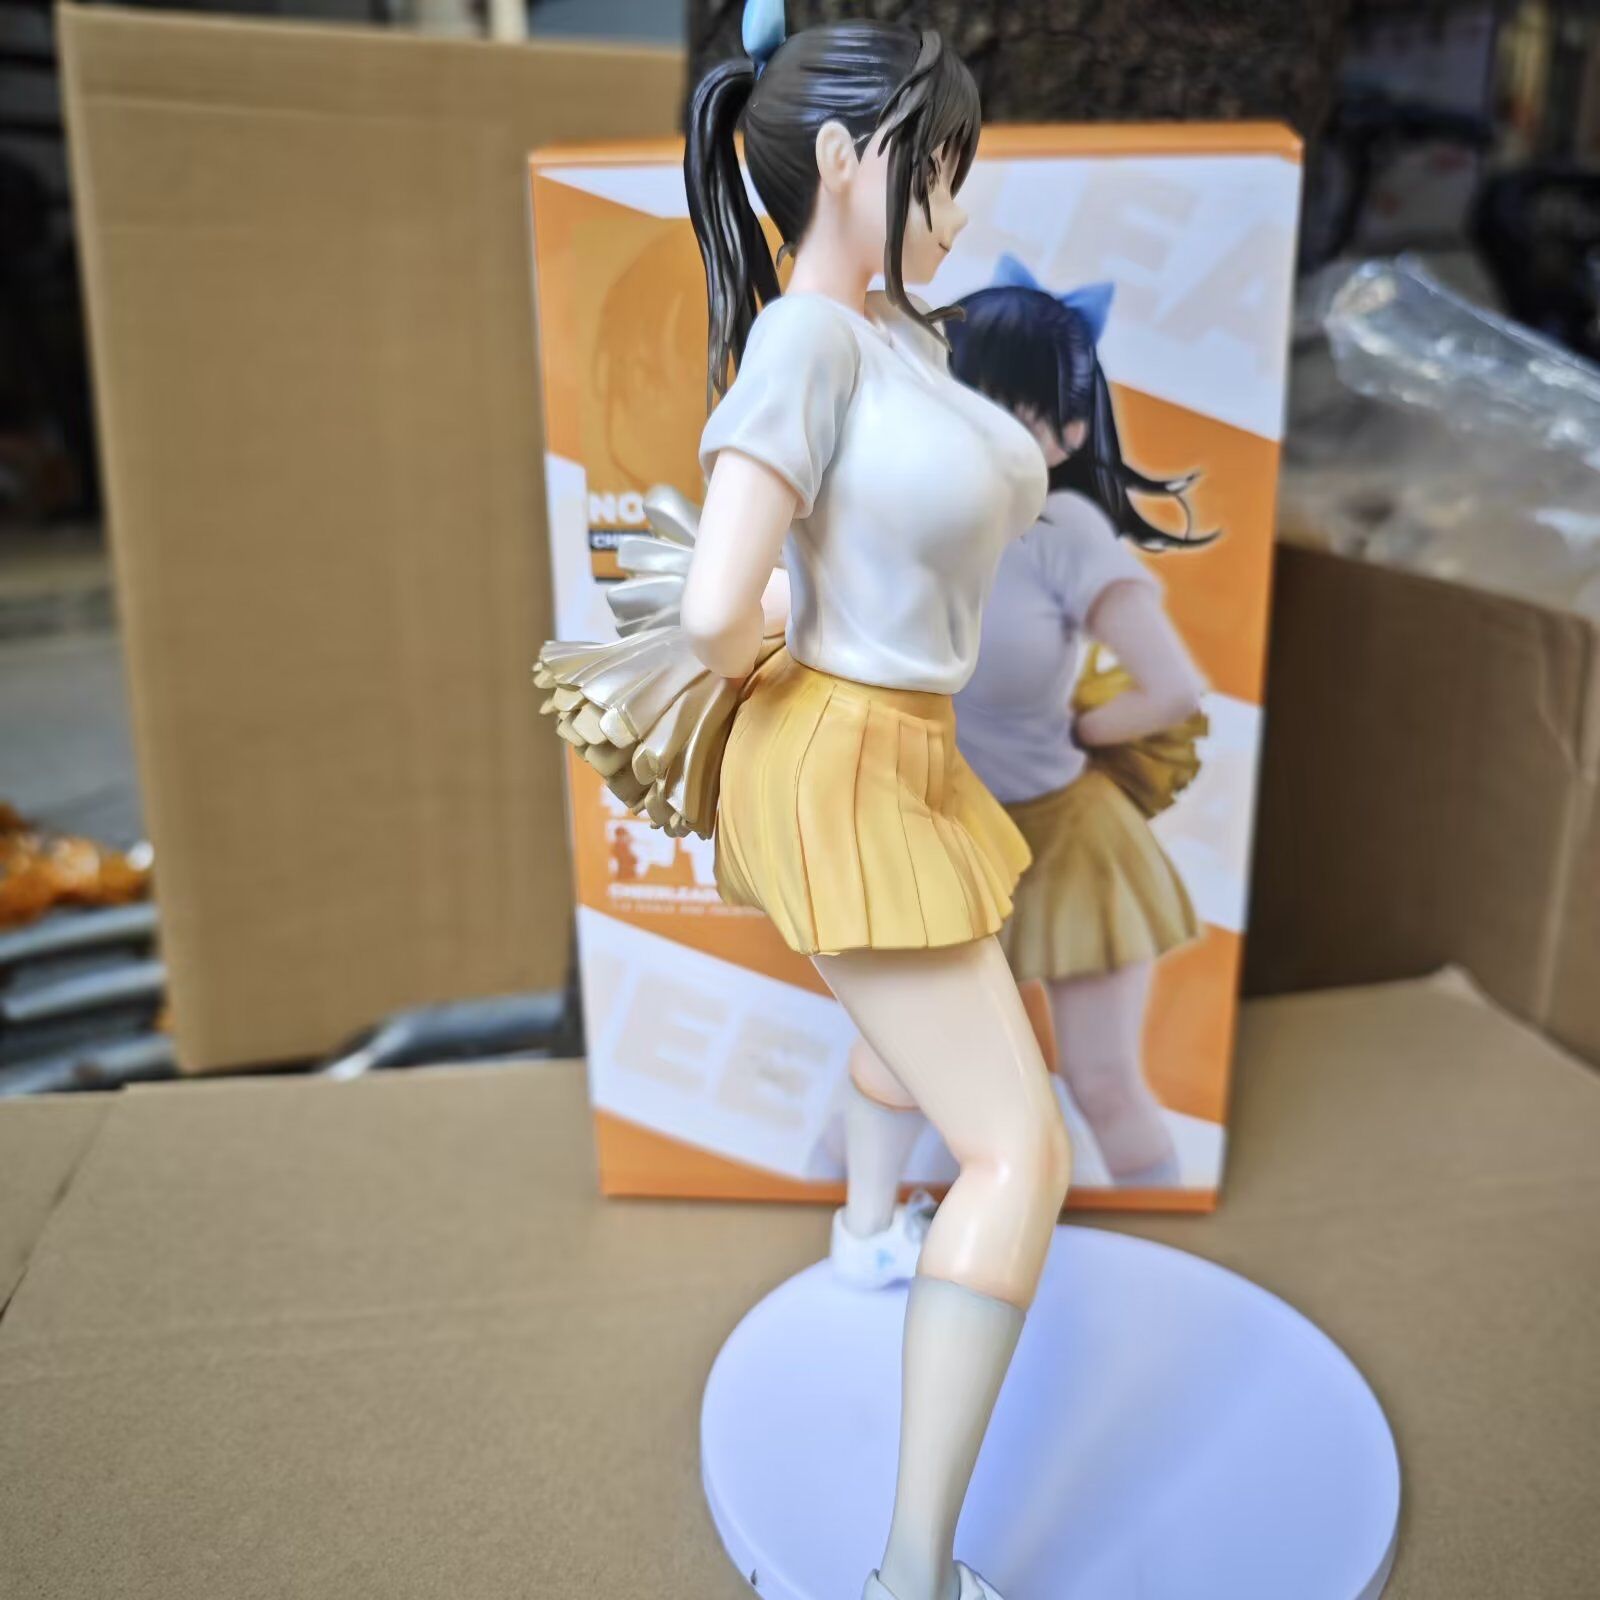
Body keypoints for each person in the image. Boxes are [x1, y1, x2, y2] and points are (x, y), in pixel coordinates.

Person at [537, 12, 1068, 1600]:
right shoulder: (808, 345)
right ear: (843, 159)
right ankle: (911, 1576)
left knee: (917, 1012)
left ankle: (862, 1233)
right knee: (1019, 1156)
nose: (956, 207)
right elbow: (718, 606)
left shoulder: (894, 333)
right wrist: (788, 648)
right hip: (844, 751)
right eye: (937, 170)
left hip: (905, 742)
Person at [834, 261, 1211, 1286]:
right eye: (968, 399)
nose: (987, 431)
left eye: (1018, 412)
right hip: (941, 840)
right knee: (892, 1068)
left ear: (1069, 432)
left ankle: (1161, 1268)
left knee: (1102, 1083)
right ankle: (859, 1234)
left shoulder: (1064, 535)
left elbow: (1174, 687)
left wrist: (1085, 729)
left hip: (1065, 843)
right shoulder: (904, 515)